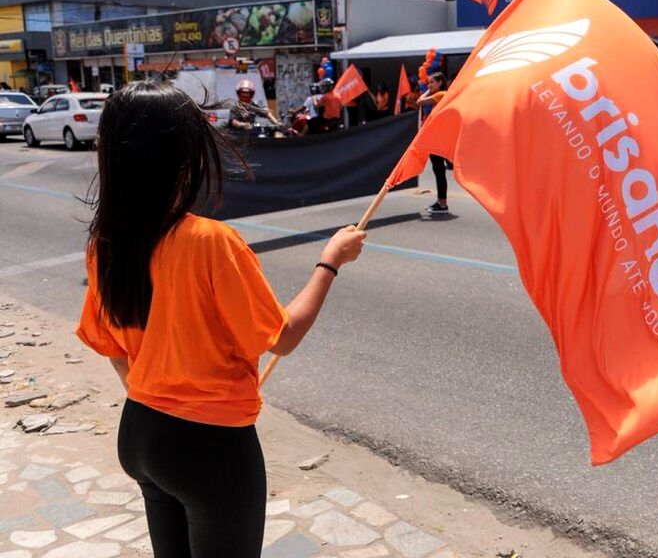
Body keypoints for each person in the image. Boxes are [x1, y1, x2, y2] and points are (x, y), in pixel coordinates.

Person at [75, 81, 366, 557]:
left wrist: (160, 392)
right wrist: (330, 262)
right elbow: (282, 337)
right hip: (210, 449)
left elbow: (111, 349)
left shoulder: (104, 244)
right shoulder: (211, 242)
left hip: (140, 432)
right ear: (182, 158)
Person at [416, 72, 452, 216]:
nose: (429, 85)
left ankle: (442, 204)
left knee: (439, 170)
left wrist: (427, 91)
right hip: (438, 136)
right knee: (438, 170)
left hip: (438, 138)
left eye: (432, 82)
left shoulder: (440, 94)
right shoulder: (442, 94)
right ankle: (440, 202)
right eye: (429, 82)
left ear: (440, 83)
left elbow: (419, 101)